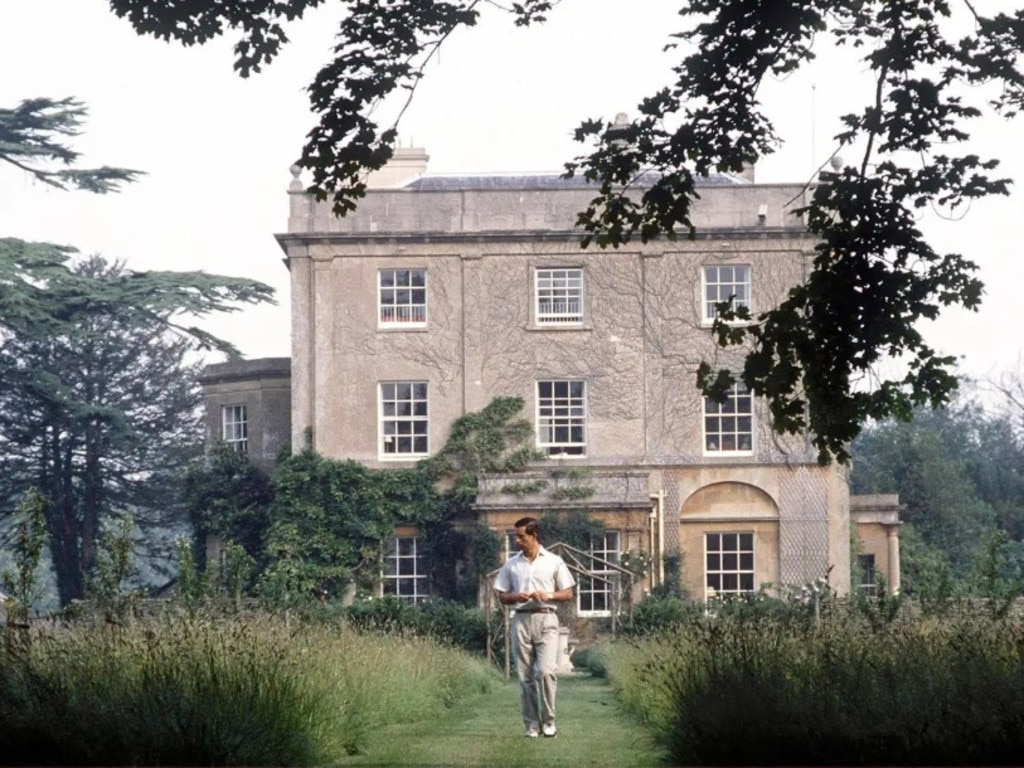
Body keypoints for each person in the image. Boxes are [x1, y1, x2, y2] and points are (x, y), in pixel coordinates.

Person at [493, 516, 576, 739]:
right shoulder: (511, 564)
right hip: (520, 620)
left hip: (547, 619)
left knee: (546, 671)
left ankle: (549, 722)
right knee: (525, 676)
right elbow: (501, 595)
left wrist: (547, 594)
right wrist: (515, 596)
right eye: (515, 536)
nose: (517, 541)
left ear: (534, 536)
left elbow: (567, 593)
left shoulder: (554, 561)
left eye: (521, 537)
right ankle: (531, 725)